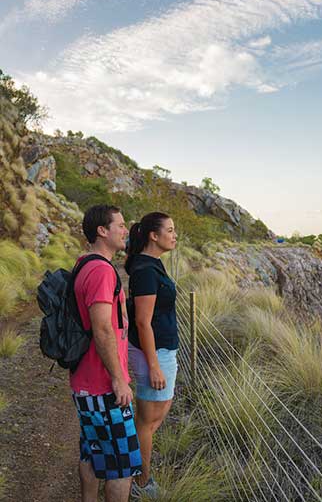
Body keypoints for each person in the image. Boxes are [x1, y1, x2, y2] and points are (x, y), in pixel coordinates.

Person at [71, 204, 141, 502]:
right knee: (121, 469)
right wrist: (118, 379)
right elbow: (102, 329)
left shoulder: (84, 262)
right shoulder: (101, 270)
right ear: (103, 230)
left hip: (86, 384)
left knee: (91, 451)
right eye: (121, 225)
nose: (125, 230)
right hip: (103, 388)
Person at [123, 212, 179, 497]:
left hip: (161, 350)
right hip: (154, 354)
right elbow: (143, 322)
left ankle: (134, 473)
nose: (174, 235)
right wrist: (154, 366)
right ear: (153, 236)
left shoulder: (150, 264)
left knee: (151, 419)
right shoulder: (145, 269)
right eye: (169, 230)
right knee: (148, 422)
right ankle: (141, 483)